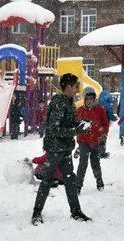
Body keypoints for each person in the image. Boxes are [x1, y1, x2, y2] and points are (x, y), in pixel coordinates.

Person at [31, 73, 92, 225]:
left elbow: (68, 121)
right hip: (55, 148)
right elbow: (54, 129)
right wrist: (75, 131)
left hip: (65, 148)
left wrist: (80, 123)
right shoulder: (59, 102)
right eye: (76, 86)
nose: (78, 89)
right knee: (47, 179)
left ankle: (76, 211)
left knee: (70, 179)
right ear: (68, 87)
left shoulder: (68, 101)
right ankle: (37, 212)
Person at [75, 87, 109, 193]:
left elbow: (105, 123)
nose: (89, 101)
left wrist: (103, 134)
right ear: (84, 99)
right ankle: (78, 185)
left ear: (94, 98)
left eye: (91, 98)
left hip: (96, 141)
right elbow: (75, 125)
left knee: (95, 162)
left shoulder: (100, 109)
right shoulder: (79, 110)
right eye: (87, 98)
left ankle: (99, 179)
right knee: (83, 163)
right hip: (83, 140)